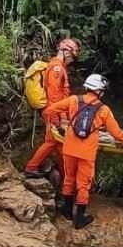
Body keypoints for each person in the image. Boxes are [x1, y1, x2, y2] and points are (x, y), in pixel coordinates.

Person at [43, 74, 123, 229]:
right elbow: (116, 133)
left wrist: (57, 124)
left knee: (69, 177)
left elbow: (50, 110)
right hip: (86, 152)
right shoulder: (104, 110)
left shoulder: (74, 100)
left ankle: (67, 210)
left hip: (69, 147)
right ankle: (80, 217)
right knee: (83, 183)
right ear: (99, 91)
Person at [24, 38, 81, 178]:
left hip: (54, 112)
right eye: (73, 56)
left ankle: (67, 177)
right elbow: (54, 96)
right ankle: (31, 168)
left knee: (58, 145)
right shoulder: (57, 68)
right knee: (51, 142)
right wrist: (59, 119)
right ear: (66, 52)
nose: (72, 60)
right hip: (54, 112)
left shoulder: (57, 66)